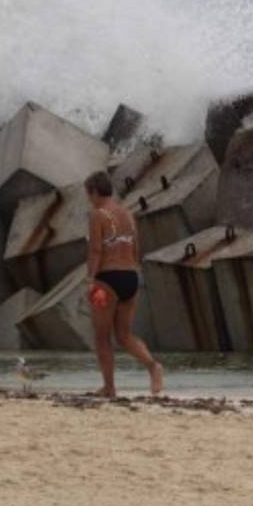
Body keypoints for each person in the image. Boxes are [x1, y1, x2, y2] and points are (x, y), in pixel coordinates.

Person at [83, 170, 163, 397]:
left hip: (107, 280)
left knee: (102, 336)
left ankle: (109, 387)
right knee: (124, 335)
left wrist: (90, 280)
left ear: (95, 192)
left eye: (89, 194)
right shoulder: (128, 214)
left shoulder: (97, 215)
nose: (89, 199)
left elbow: (96, 249)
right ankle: (153, 367)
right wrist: (133, 272)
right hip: (130, 277)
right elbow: (136, 249)